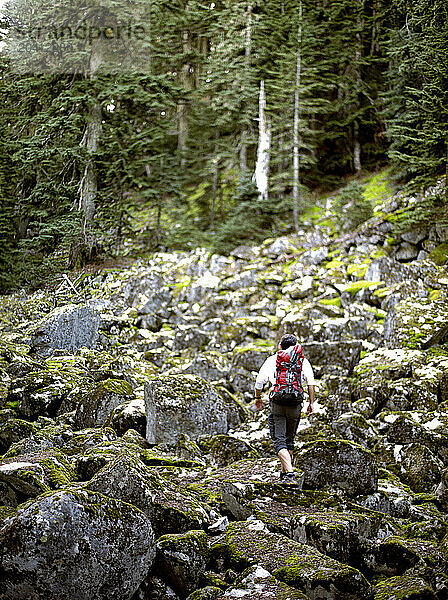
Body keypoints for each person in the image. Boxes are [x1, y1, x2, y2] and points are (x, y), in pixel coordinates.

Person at [254, 333, 315, 485]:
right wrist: (311, 403)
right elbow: (310, 383)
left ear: (280, 346)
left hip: (278, 405)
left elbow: (259, 383)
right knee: (289, 440)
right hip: (296, 404)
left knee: (279, 441)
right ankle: (284, 474)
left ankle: (290, 473)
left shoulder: (272, 360)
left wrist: (258, 397)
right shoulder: (302, 361)